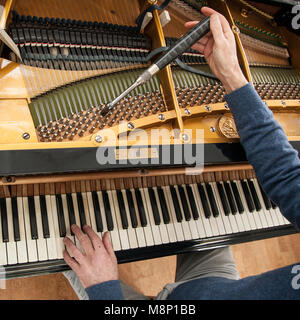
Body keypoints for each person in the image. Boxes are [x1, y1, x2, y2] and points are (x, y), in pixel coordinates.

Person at [62, 7, 300, 300]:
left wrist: (104, 289)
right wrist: (231, 75)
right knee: (208, 217)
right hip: (216, 286)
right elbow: (287, 177)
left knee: (67, 250)